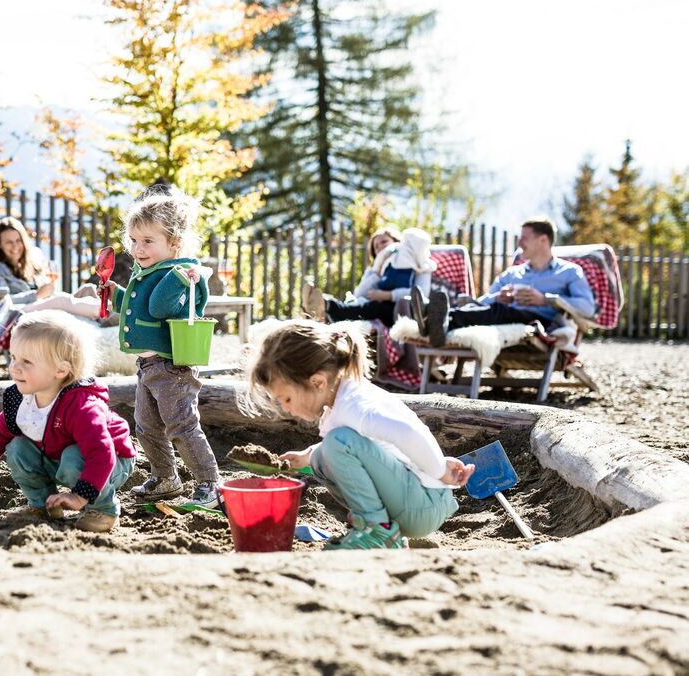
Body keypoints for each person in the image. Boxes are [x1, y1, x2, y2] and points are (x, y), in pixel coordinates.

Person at [244, 320, 474, 549]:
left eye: (287, 399)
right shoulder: (342, 400)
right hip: (413, 500)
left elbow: (408, 433)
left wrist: (440, 469)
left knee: (338, 443)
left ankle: (377, 530)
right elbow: (376, 448)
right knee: (322, 456)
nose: (286, 408)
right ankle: (384, 533)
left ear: (317, 382)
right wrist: (307, 456)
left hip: (421, 504)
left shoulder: (356, 406)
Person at [0, 311, 136, 532]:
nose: (14, 367)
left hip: (110, 462)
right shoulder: (22, 398)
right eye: (14, 357)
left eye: (27, 361)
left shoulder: (82, 407)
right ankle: (43, 505)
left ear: (61, 370)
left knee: (73, 459)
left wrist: (80, 497)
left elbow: (101, 453)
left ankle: (103, 510)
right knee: (17, 449)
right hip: (59, 455)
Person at [98, 181, 223, 508]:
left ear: (174, 242)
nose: (138, 249)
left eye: (148, 242)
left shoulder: (180, 272)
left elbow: (160, 308)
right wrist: (116, 295)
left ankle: (210, 483)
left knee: (182, 425)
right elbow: (138, 310)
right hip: (149, 367)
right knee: (147, 426)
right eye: (135, 241)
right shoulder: (152, 269)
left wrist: (180, 278)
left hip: (173, 367)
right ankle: (166, 477)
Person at [410, 216, 596, 347]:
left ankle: (436, 320)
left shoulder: (569, 272)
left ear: (543, 240)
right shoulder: (512, 274)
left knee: (500, 311)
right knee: (497, 309)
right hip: (503, 315)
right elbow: (481, 304)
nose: (519, 243)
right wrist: (497, 297)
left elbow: (587, 307)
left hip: (540, 323)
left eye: (524, 238)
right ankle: (439, 319)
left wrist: (545, 300)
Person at [0, 217, 108, 323]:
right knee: (61, 301)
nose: (15, 246)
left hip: (43, 304)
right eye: (9, 242)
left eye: (18, 240)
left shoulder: (28, 264)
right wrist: (36, 295)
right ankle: (109, 314)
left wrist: (47, 290)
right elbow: (1, 302)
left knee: (88, 289)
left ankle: (103, 323)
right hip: (19, 313)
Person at [302, 227, 435, 327]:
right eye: (376, 247)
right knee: (367, 305)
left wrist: (388, 295)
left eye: (384, 242)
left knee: (376, 307)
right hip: (374, 309)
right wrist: (377, 270)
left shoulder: (419, 262)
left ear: (396, 242)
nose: (380, 248)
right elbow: (360, 293)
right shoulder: (376, 270)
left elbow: (422, 294)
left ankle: (328, 307)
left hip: (405, 312)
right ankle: (323, 309)